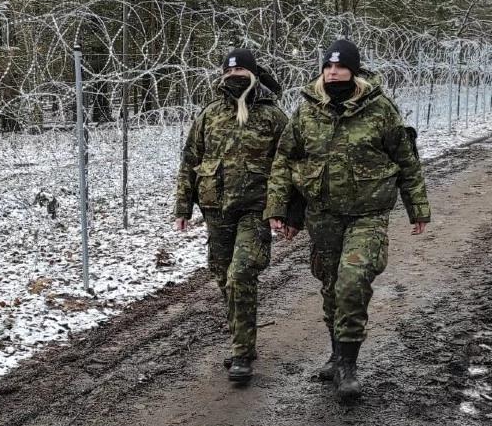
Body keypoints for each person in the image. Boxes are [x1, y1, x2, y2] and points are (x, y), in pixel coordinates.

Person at [264, 39, 430, 401]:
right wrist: (278, 208)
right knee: (330, 285)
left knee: (352, 281)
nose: (333, 72)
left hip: (367, 214)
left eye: (340, 67)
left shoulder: (379, 110)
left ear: (354, 71)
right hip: (321, 214)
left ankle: (348, 366)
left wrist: (417, 206)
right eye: (328, 67)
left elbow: (406, 160)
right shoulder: (307, 111)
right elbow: (285, 161)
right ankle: (337, 355)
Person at [173, 49, 295, 383]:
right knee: (222, 277)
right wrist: (183, 207)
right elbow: (190, 160)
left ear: (254, 74)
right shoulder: (209, 114)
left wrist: (285, 210)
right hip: (216, 211)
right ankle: (244, 340)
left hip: (255, 211)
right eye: (229, 70)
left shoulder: (272, 117)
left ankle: (241, 354)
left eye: (241, 69)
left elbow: (289, 165)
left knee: (240, 274)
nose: (234, 74)